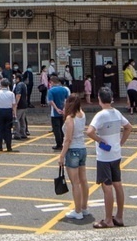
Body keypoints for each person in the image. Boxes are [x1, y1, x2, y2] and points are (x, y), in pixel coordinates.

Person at [85, 88, 132, 229]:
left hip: (104, 156)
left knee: (107, 187)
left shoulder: (100, 115)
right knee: (118, 184)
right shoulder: (117, 113)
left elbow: (89, 132)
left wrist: (100, 140)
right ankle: (119, 216)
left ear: (99, 99)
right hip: (116, 154)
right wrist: (121, 142)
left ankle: (108, 220)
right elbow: (129, 127)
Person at [57, 94, 93, 221]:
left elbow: (68, 139)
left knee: (75, 183)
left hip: (72, 150)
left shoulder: (69, 118)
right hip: (82, 148)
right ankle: (84, 207)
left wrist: (61, 155)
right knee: (83, 180)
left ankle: (77, 211)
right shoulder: (82, 114)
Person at [0, 78, 16, 152]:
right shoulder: (11, 93)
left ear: (1, 85)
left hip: (0, 111)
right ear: (8, 85)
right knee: (8, 130)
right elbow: (14, 104)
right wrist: (14, 113)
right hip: (8, 111)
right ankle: (9, 147)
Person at [48, 75, 70, 150]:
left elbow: (51, 101)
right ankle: (63, 142)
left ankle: (59, 144)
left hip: (54, 113)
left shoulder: (51, 90)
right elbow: (67, 100)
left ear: (52, 82)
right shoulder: (64, 89)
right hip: (63, 111)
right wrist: (64, 108)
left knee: (56, 129)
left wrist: (56, 109)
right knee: (62, 128)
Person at [12, 74, 30, 139]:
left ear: (18, 79)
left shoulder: (19, 85)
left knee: (16, 119)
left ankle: (17, 134)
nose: (13, 79)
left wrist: (15, 104)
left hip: (20, 105)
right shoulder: (24, 85)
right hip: (24, 105)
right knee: (22, 120)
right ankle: (23, 133)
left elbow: (18, 95)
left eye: (14, 78)